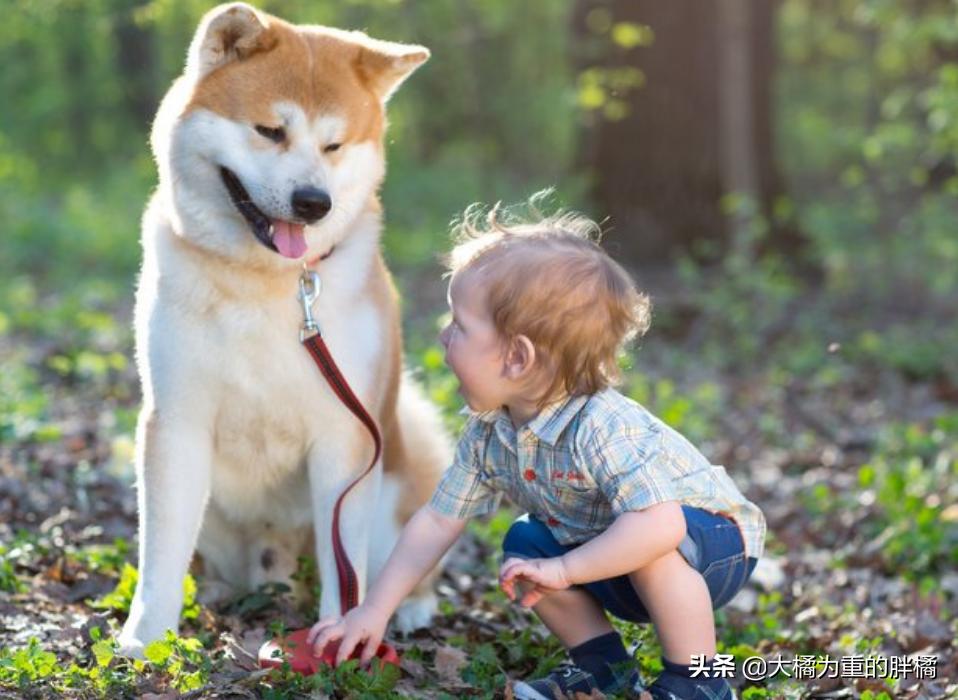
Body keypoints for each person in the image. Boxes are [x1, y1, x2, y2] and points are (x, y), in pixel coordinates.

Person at [308, 198, 766, 700]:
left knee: (653, 545)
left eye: (459, 324)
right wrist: (373, 611)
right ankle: (604, 669)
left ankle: (697, 682)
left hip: (712, 544)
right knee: (527, 546)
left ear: (517, 357)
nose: (444, 336)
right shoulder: (489, 433)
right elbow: (438, 521)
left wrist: (566, 569)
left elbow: (662, 525)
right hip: (613, 548)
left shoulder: (601, 427)